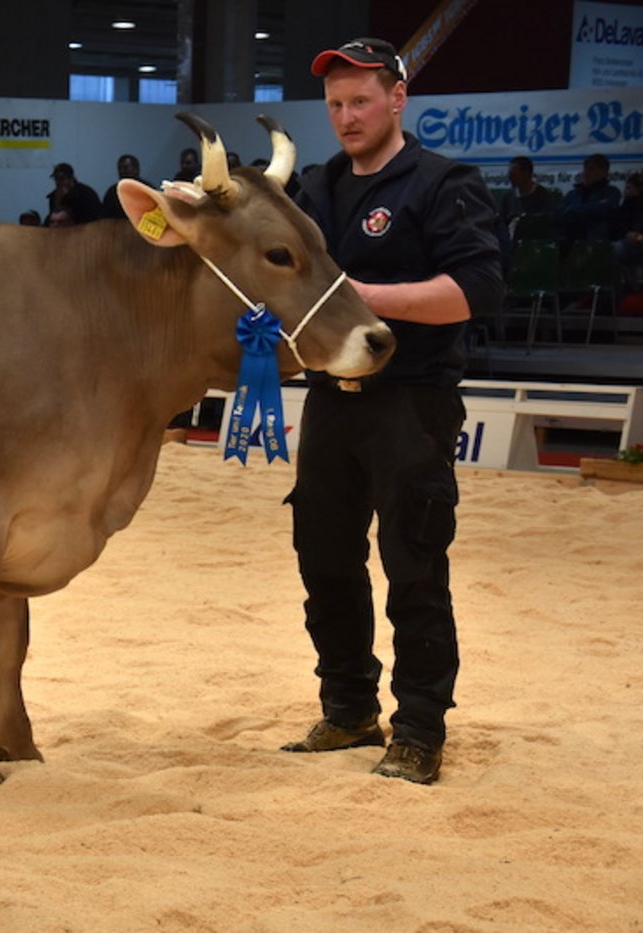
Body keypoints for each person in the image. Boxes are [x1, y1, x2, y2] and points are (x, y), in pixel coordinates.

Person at [282, 37, 503, 784]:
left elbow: (475, 293)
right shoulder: (316, 187)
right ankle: (347, 710)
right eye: (336, 105)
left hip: (411, 398)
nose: (346, 117)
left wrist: (363, 300)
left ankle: (417, 730)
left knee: (413, 563)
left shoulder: (444, 183)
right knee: (324, 560)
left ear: (397, 99)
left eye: (361, 102)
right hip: (328, 401)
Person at [556, 153, 621, 248]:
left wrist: (573, 209)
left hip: (597, 243)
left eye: (591, 169)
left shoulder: (612, 192)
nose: (586, 172)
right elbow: (559, 213)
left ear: (604, 172)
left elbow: (604, 209)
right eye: (585, 169)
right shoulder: (573, 194)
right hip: (570, 242)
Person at [101, 154, 153, 219]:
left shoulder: (148, 190)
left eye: (125, 168)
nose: (122, 171)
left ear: (136, 169)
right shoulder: (112, 192)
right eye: (120, 168)